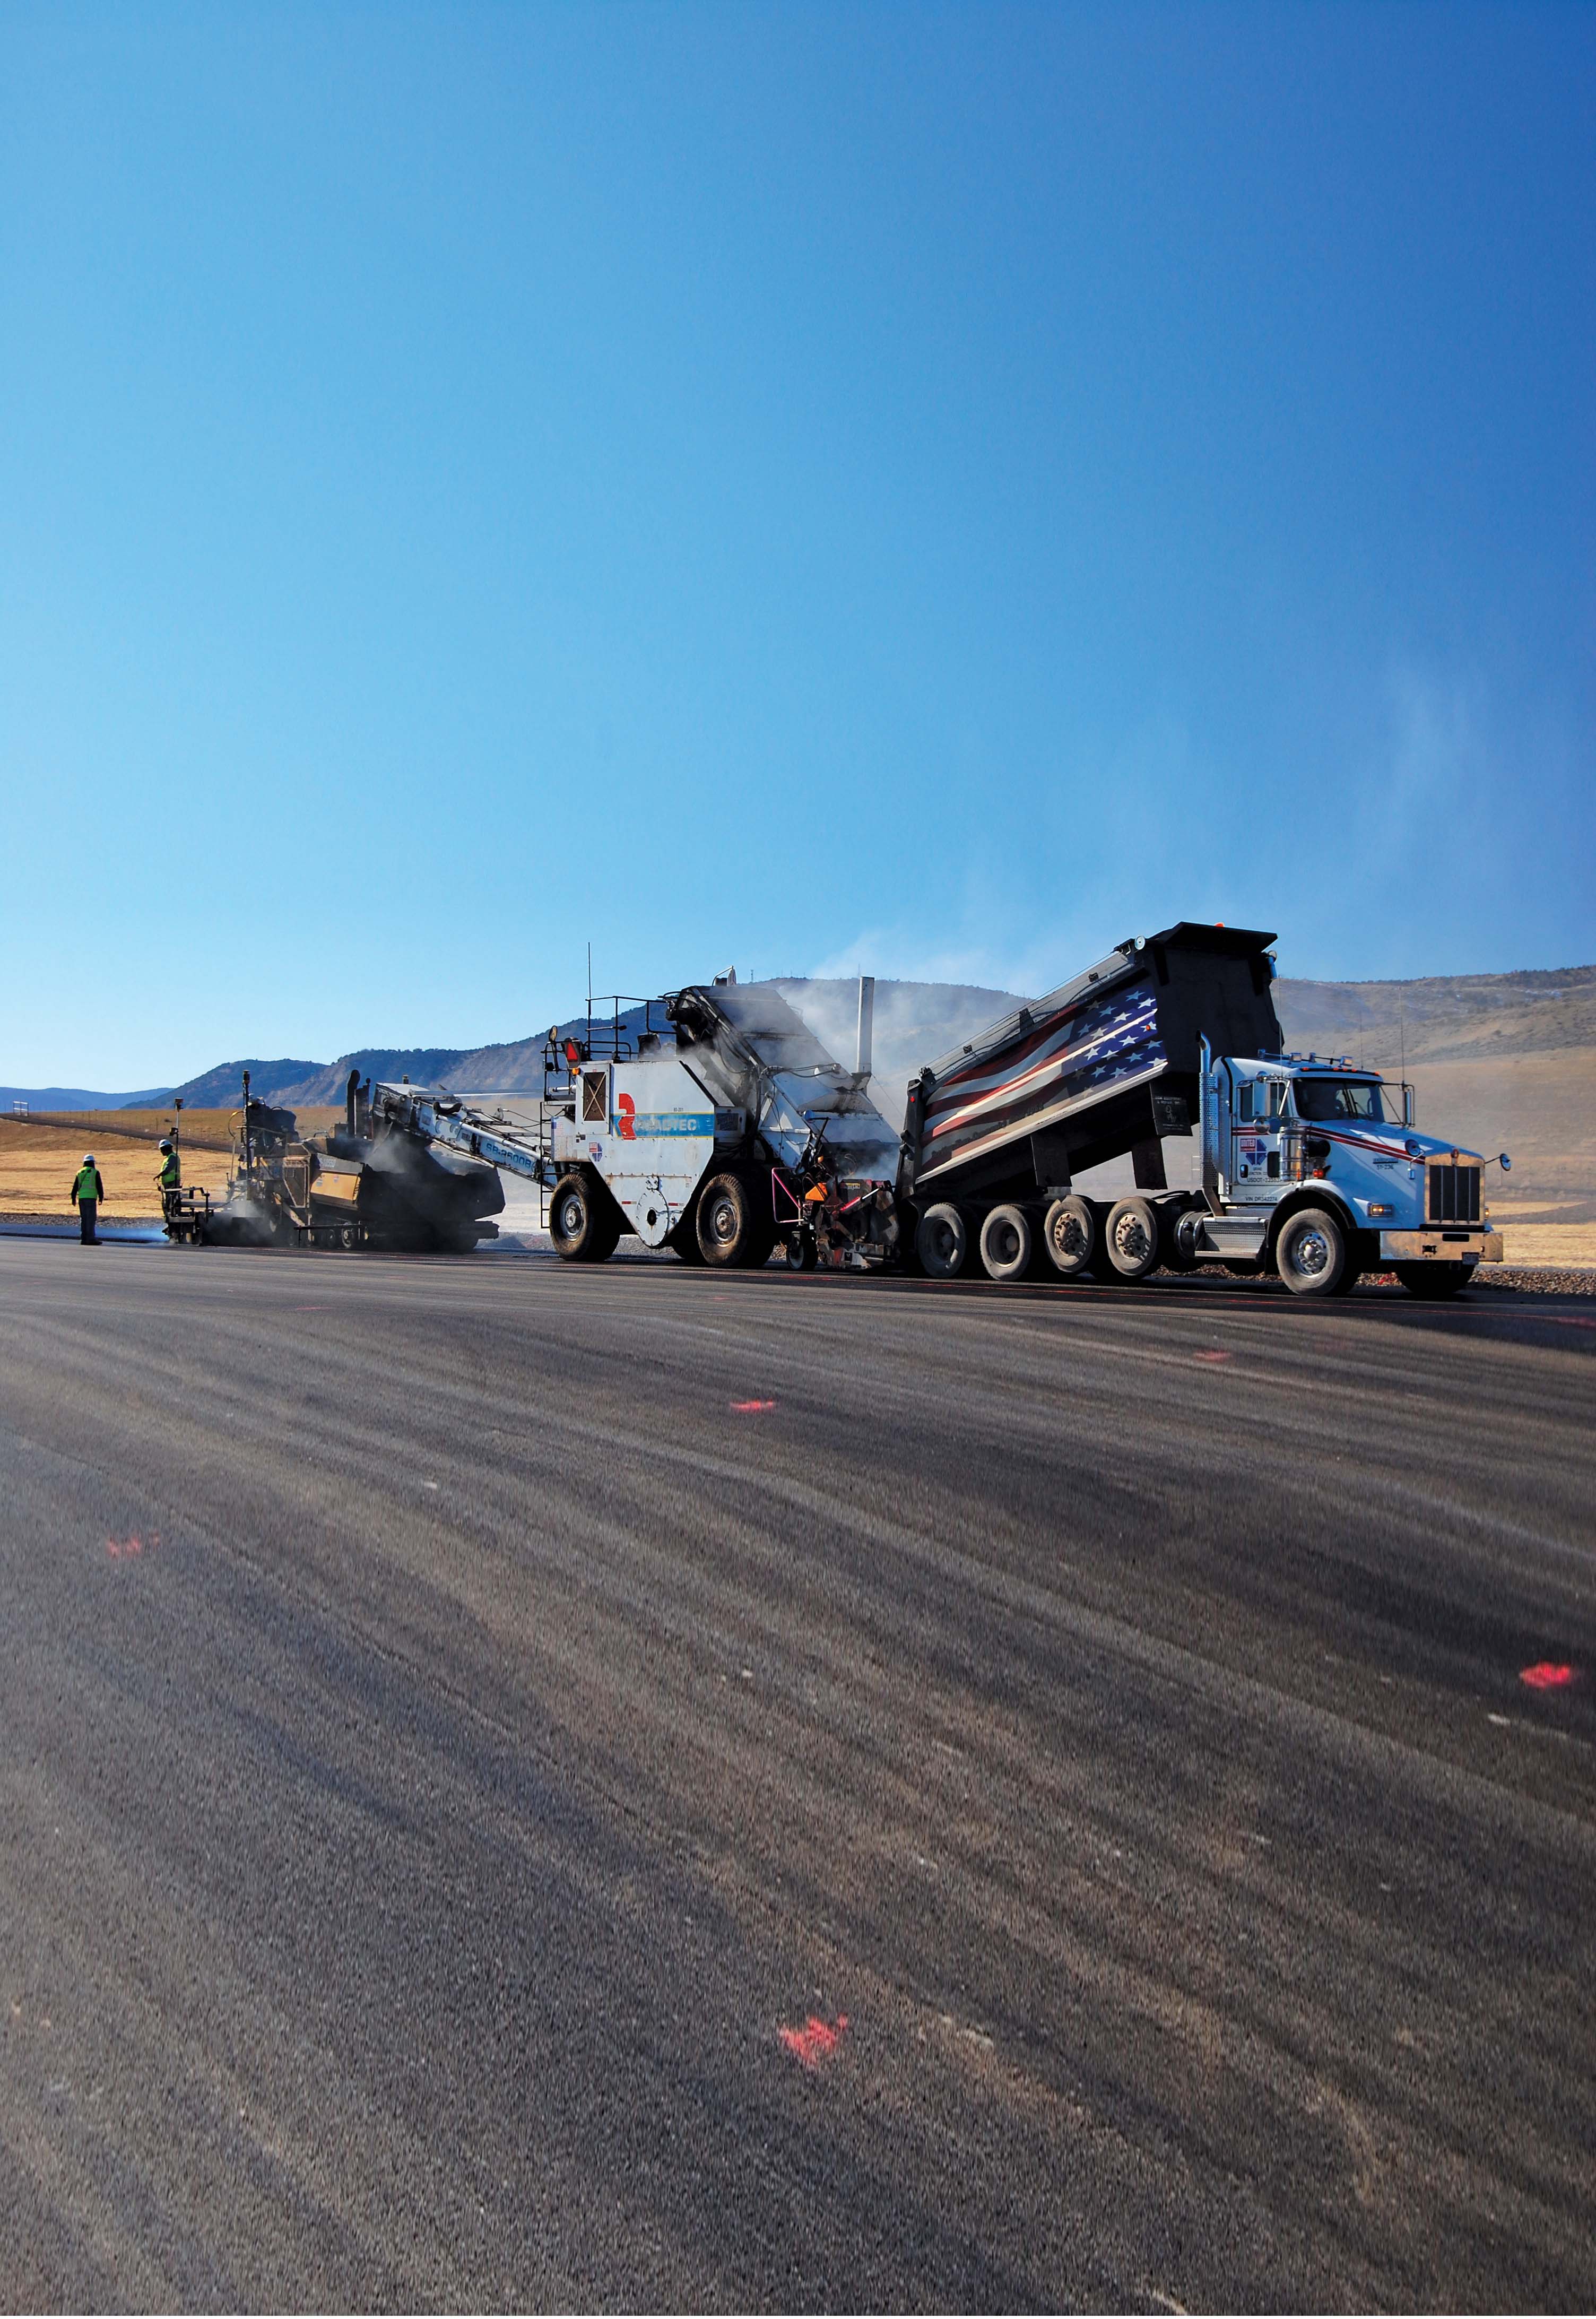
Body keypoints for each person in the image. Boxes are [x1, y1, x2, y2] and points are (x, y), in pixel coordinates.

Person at [71, 1152, 105, 1244]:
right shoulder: (95, 1172)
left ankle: (84, 1239)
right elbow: (99, 1186)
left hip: (82, 1198)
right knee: (91, 1219)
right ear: (93, 1163)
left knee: (84, 1219)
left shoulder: (80, 1172)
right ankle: (91, 1239)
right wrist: (101, 1197)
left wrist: (73, 1198)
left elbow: (75, 1186)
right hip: (91, 1198)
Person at [155, 1138, 180, 1222]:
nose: (161, 1152)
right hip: (168, 1183)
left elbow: (168, 1169)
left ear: (165, 1149)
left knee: (171, 1201)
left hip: (172, 1183)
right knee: (168, 1201)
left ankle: (170, 1215)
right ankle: (169, 1214)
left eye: (162, 1150)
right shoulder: (169, 1158)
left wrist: (159, 1175)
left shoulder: (173, 1157)